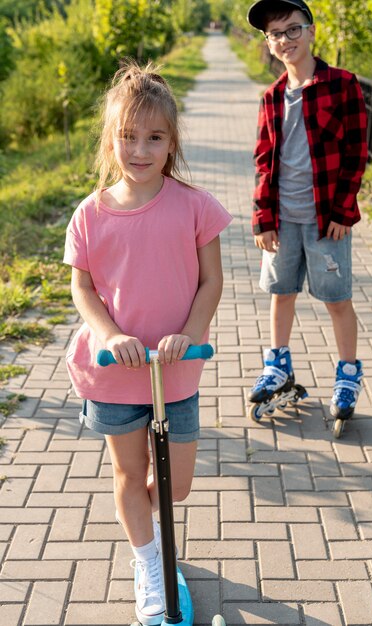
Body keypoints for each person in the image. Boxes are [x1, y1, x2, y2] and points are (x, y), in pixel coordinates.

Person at [63, 61, 232, 625]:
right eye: (128, 136)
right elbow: (81, 287)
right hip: (114, 373)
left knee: (175, 485)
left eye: (154, 137)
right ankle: (149, 565)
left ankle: (156, 540)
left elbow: (212, 281)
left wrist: (189, 333)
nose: (140, 149)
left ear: (171, 142)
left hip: (174, 370)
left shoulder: (195, 206)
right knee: (129, 476)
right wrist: (109, 333)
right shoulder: (89, 214)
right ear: (111, 139)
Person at [246, 0, 368, 421]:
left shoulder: (343, 85)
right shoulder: (271, 97)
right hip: (282, 219)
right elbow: (264, 161)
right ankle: (277, 365)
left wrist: (342, 211)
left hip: (325, 220)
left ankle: (348, 372)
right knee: (281, 294)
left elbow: (356, 153)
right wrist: (262, 217)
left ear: (311, 31)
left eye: (292, 29)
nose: (284, 40)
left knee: (336, 300)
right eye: (275, 34)